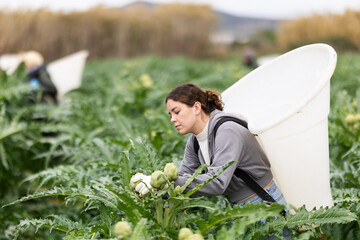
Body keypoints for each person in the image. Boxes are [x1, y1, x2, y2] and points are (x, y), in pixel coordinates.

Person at [133, 83, 287, 208]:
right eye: (170, 115)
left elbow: (217, 182)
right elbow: (181, 180)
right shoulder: (194, 142)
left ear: (196, 108)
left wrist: (163, 183)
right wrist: (156, 188)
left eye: (177, 112)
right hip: (238, 208)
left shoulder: (227, 131)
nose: (172, 119)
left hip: (263, 204)